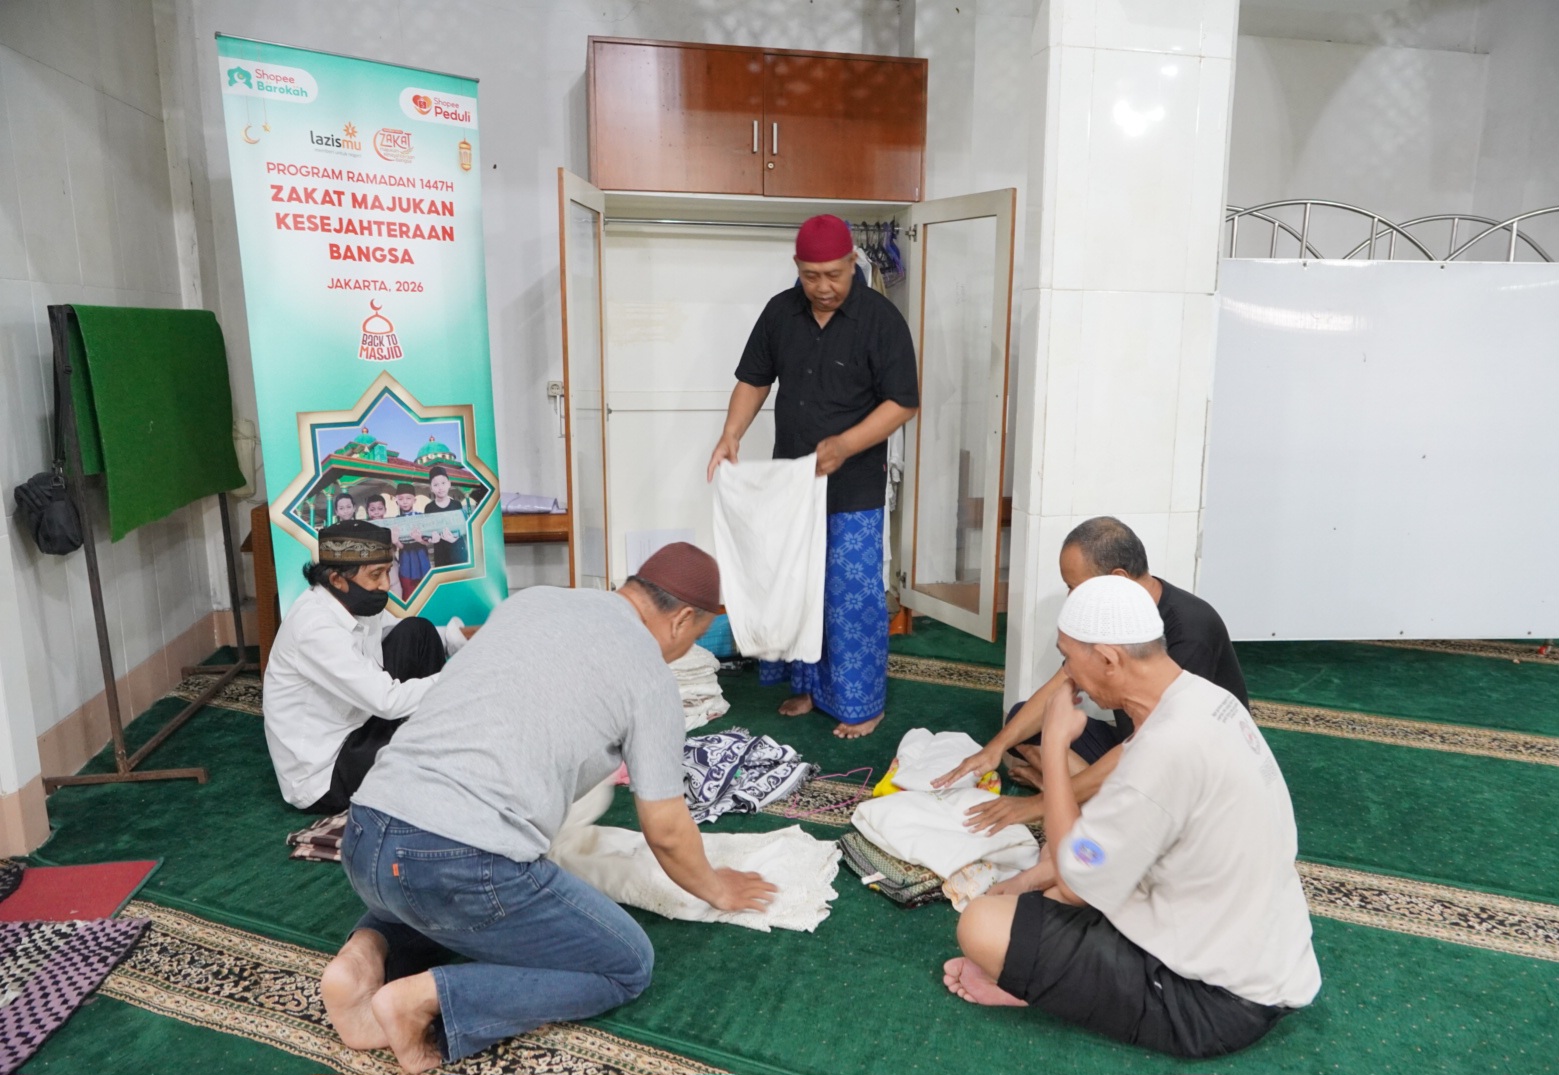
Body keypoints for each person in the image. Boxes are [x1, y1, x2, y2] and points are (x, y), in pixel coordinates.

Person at [319, 543, 778, 1073]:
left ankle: (363, 959)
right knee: (625, 963)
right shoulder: (650, 677)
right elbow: (667, 829)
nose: (687, 650)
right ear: (682, 620)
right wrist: (717, 887)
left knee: (428, 880)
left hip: (365, 832)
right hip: (455, 865)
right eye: (696, 638)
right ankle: (424, 1001)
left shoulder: (532, 601)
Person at [942, 575, 1320, 1057]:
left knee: (981, 925)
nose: (1066, 673)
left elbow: (1078, 883)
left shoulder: (1166, 751)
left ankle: (1033, 987)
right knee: (1045, 871)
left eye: (1068, 657)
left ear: (1107, 659)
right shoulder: (1203, 698)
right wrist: (1030, 880)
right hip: (1258, 947)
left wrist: (1055, 745)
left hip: (1212, 999)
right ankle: (1037, 974)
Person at [706, 214, 919, 739]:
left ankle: (861, 702)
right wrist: (731, 433)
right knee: (793, 585)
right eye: (811, 276)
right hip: (792, 483)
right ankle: (804, 687)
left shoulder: (881, 320)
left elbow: (903, 403)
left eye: (833, 275)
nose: (823, 287)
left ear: (853, 263)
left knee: (851, 595)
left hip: (855, 486)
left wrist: (846, 445)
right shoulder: (781, 313)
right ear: (797, 269)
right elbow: (753, 380)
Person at [936, 516, 1249, 833]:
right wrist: (995, 748)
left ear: (1118, 578)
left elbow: (1153, 747)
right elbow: (1064, 681)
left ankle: (1075, 798)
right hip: (1135, 743)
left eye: (1075, 588)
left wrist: (1037, 806)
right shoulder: (1112, 614)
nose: (1072, 599)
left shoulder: (1191, 630)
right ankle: (1089, 799)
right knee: (1024, 720)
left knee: (1141, 802)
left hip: (1180, 769)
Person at [263, 521, 468, 813]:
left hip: (361, 720)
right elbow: (387, 702)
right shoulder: (315, 628)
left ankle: (437, 740)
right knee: (430, 753)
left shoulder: (351, 602)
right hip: (328, 773)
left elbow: (398, 632)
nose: (386, 584)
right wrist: (463, 677)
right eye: (376, 575)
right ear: (337, 579)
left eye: (388, 571)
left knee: (418, 631)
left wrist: (457, 639)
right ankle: (441, 747)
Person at [390, 483, 431, 600]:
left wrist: (420, 540)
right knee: (408, 589)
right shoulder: (396, 521)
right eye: (401, 499)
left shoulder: (422, 517)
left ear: (414, 500)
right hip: (406, 558)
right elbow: (401, 546)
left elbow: (428, 541)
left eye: (408, 498)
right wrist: (395, 541)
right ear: (396, 501)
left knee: (425, 587)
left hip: (421, 557)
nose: (405, 502)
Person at [424, 465, 469, 568]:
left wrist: (454, 539)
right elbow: (428, 531)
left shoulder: (457, 504)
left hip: (457, 550)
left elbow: (462, 529)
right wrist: (431, 539)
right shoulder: (429, 508)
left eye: (443, 483)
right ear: (431, 488)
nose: (440, 488)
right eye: (436, 485)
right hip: (440, 553)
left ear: (449, 484)